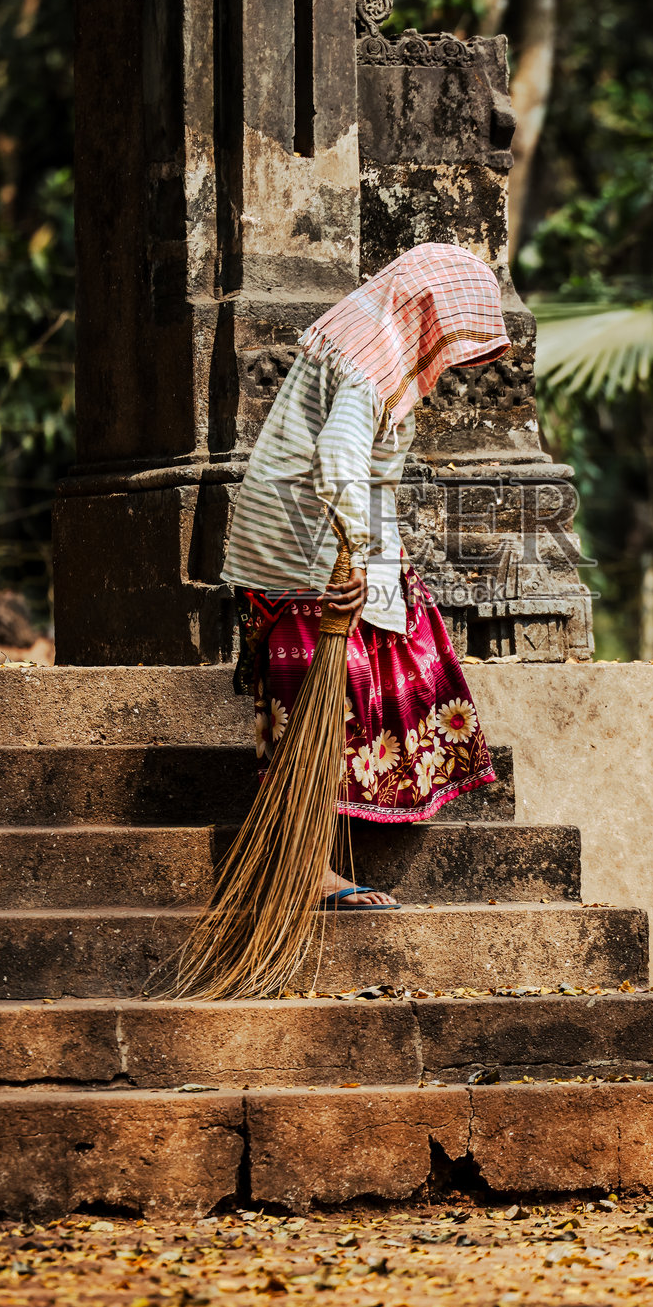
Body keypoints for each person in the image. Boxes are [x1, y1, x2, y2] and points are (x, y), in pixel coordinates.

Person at [221, 242, 510, 911]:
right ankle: (307, 869)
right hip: (313, 559)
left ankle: (312, 861)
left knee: (344, 700)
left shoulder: (359, 348)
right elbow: (337, 461)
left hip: (315, 551)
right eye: (445, 331)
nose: (445, 351)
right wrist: (349, 556)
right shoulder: (364, 364)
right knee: (324, 706)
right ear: (424, 311)